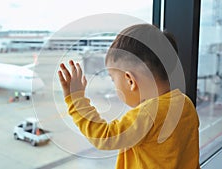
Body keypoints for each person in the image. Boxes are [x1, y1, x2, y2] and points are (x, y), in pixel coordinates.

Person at [58, 24, 200, 169]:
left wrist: (76, 100)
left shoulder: (148, 114)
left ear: (130, 81)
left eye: (113, 79)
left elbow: (105, 137)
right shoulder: (185, 103)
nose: (114, 86)